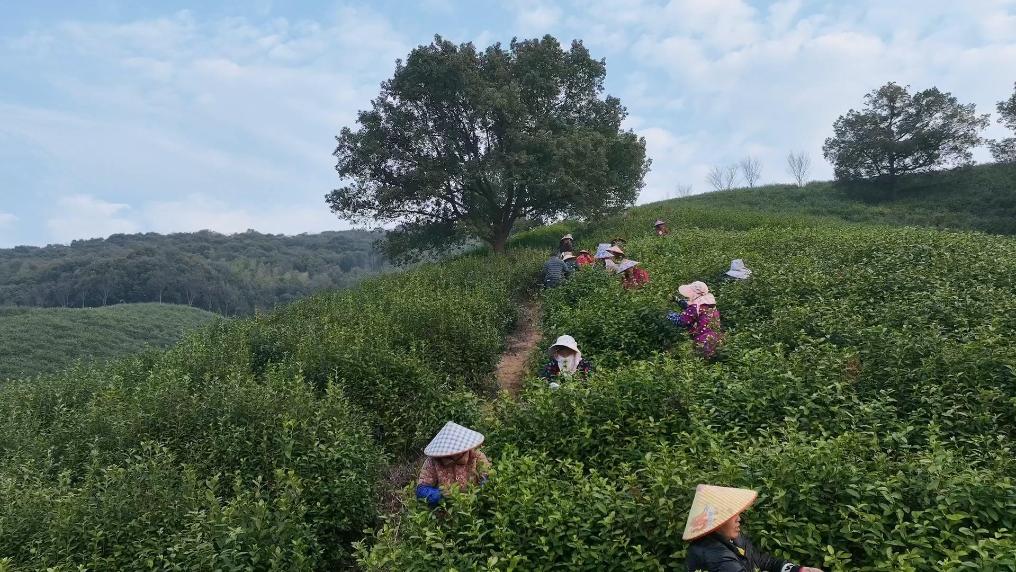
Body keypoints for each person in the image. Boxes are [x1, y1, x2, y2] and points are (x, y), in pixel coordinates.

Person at [684, 484, 824, 572]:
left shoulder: (733, 539)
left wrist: (797, 570)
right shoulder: (713, 555)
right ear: (716, 521)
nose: (739, 519)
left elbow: (760, 560)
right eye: (732, 515)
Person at [416, 422, 490, 508]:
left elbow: (487, 477)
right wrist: (441, 495)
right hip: (445, 509)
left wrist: (480, 493)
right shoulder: (432, 461)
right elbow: (422, 489)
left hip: (473, 507)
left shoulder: (476, 456)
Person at [667, 281, 723, 358]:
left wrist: (669, 315)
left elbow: (682, 321)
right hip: (716, 338)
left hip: (702, 340)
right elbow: (690, 307)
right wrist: (677, 300)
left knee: (699, 359)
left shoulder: (695, 307)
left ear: (695, 293)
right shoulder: (709, 304)